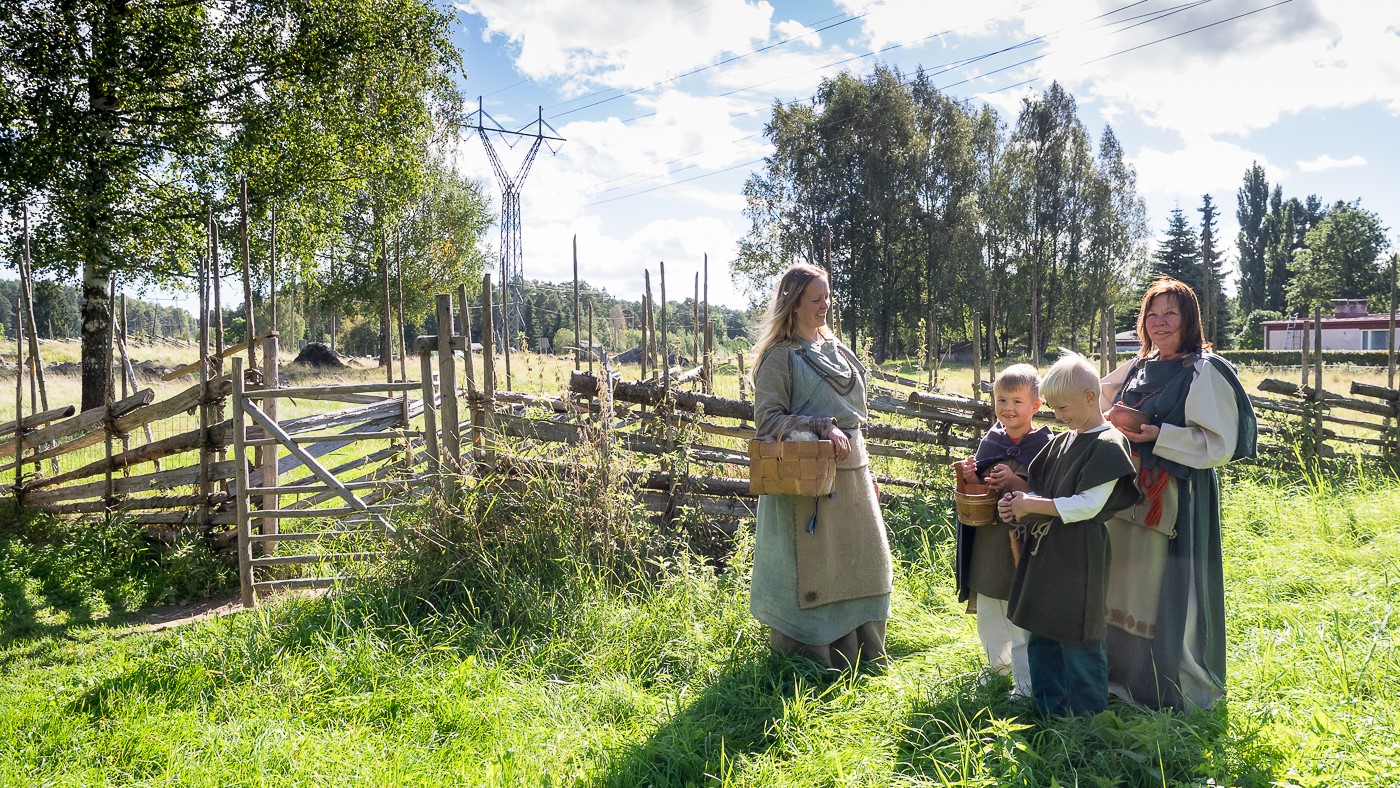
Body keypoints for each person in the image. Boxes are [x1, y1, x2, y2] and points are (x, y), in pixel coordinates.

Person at [1100, 278, 1257, 711]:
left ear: (1189, 318)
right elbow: (1095, 397)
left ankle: (1177, 692)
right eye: (1153, 312)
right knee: (1125, 587)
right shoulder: (1138, 366)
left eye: (1171, 312)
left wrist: (1159, 434)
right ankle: (1124, 681)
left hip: (1177, 500)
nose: (1160, 321)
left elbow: (1219, 443)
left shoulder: (1205, 369)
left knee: (1170, 591)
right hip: (1129, 496)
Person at [749, 263, 893, 669]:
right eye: (816, 298)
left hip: (853, 477)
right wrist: (819, 426)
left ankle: (866, 656)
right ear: (793, 304)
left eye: (827, 297)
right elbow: (768, 422)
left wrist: (868, 473)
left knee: (867, 565)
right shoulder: (779, 358)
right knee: (818, 574)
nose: (825, 305)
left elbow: (854, 420)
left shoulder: (836, 349)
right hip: (807, 486)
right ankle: (813, 662)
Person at [1000, 352, 1139, 716]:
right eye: (1055, 409)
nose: (1059, 417)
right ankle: (1049, 713)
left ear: (1090, 398)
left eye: (1064, 408)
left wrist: (1031, 505)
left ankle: (1088, 723)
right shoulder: (1063, 441)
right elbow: (1039, 488)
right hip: (1045, 553)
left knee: (1080, 638)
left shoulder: (1108, 444)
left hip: (1080, 555)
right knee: (1041, 633)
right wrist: (1016, 503)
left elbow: (1086, 506)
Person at [954, 364, 1053, 697]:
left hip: (1027, 544)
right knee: (991, 611)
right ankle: (996, 668)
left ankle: (1025, 682)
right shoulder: (991, 440)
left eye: (1017, 401)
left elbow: (1049, 494)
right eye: (1001, 400)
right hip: (990, 544)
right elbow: (979, 491)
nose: (1008, 408)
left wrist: (1016, 483)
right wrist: (969, 477)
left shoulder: (1045, 444)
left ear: (1036, 406)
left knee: (1021, 612)